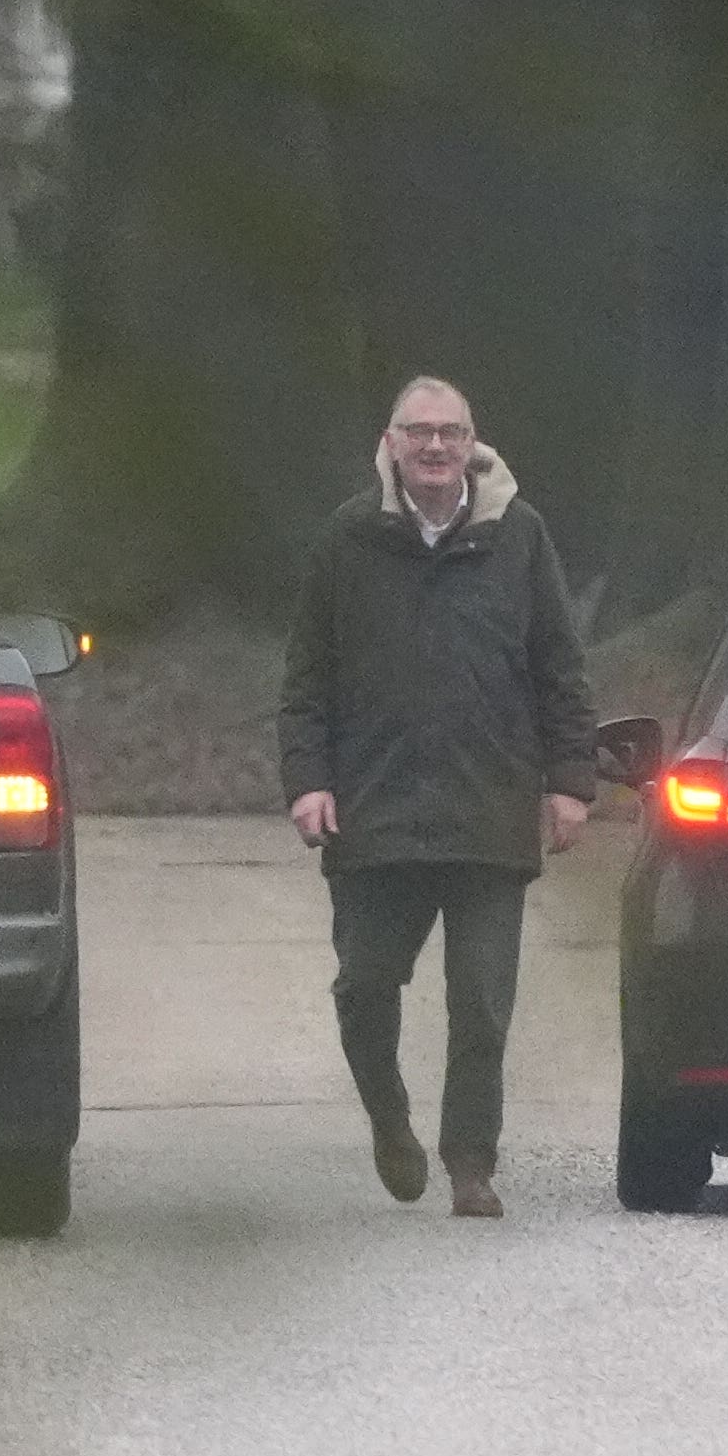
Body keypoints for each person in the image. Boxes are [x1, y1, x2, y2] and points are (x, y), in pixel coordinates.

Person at [279, 376, 599, 1219]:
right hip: (374, 811)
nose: (432, 447)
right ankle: (390, 1119)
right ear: (390, 443)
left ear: (472, 445)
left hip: (489, 809)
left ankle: (471, 1161)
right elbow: (306, 678)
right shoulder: (349, 539)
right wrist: (308, 780)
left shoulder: (518, 536)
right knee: (364, 984)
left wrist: (571, 782)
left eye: (448, 433)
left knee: (482, 1002)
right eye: (417, 433)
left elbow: (559, 668)